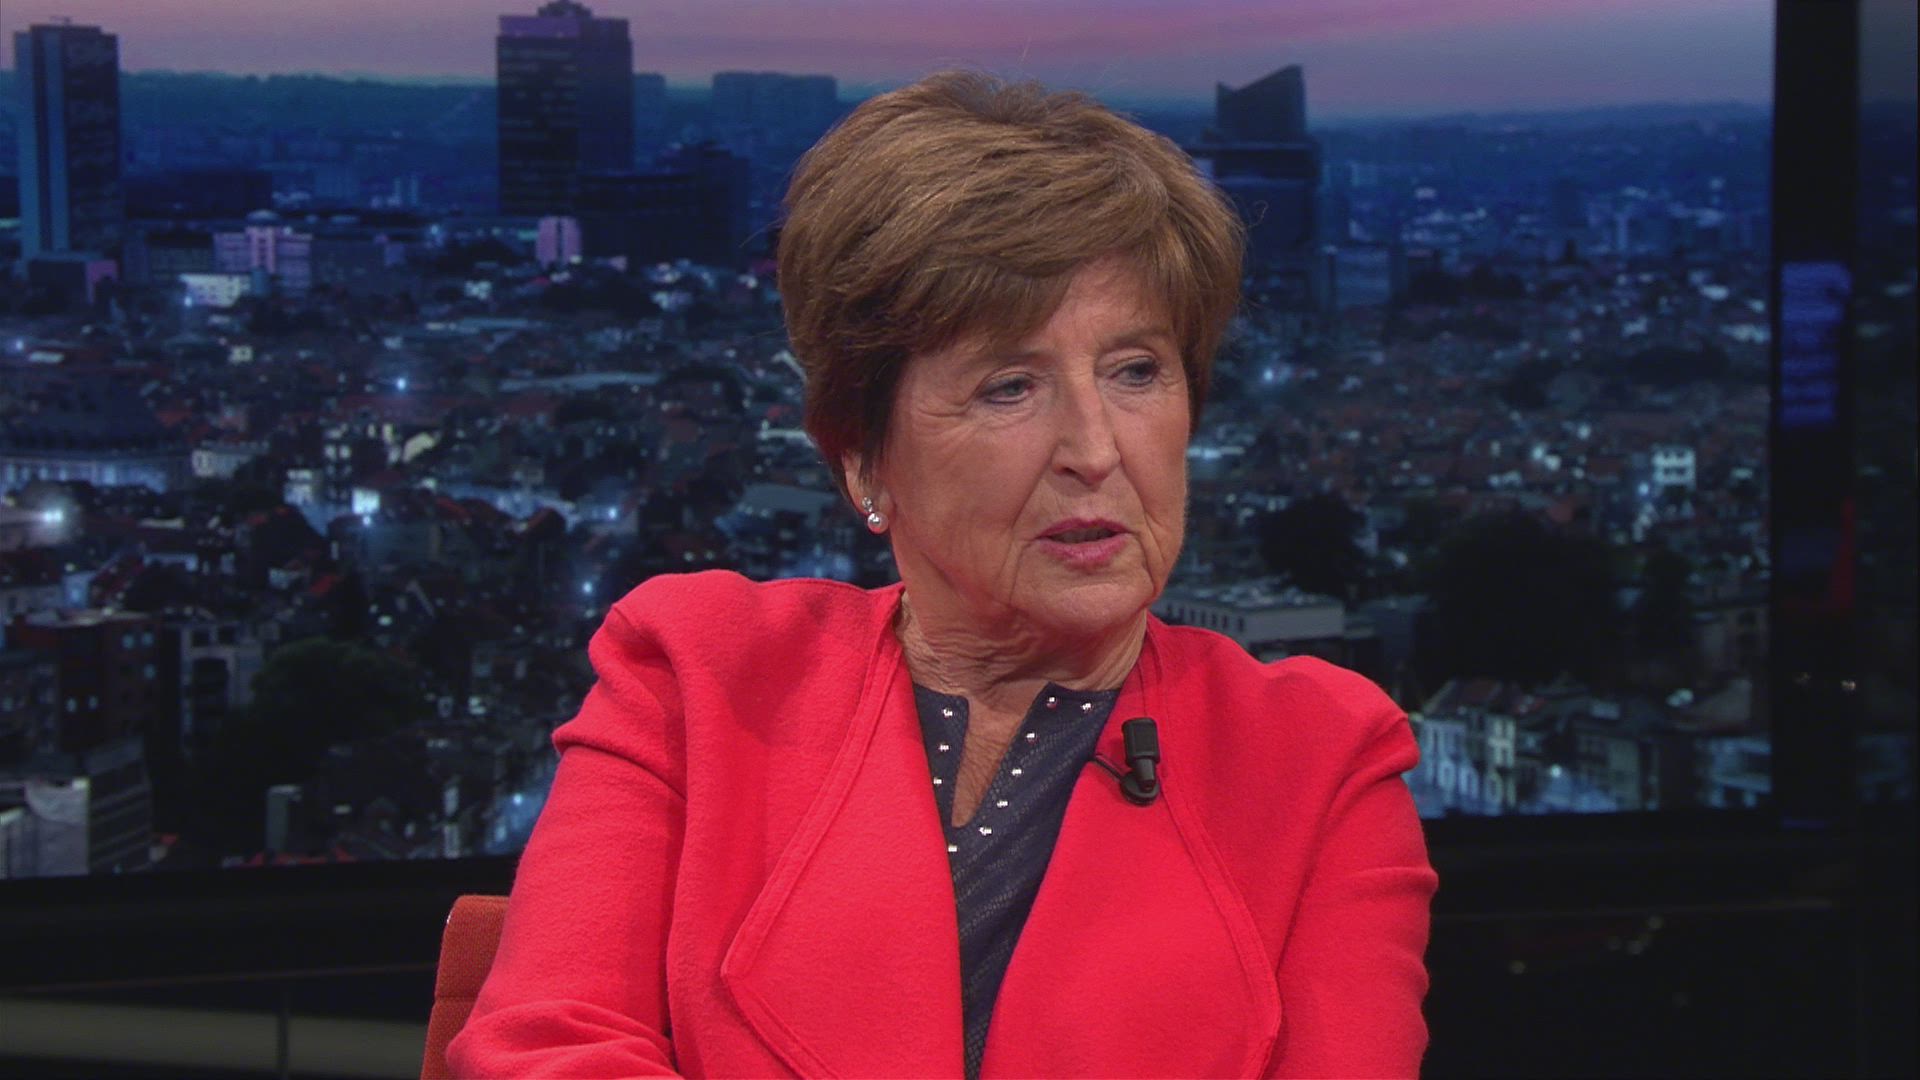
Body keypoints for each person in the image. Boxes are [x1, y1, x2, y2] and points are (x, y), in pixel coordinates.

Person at [446, 70, 1436, 1079]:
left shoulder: (1323, 761)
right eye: (1010, 387)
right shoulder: (694, 677)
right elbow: (546, 1049)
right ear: (862, 457)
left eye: (1136, 371)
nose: (1096, 449)